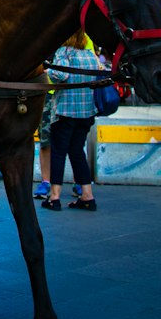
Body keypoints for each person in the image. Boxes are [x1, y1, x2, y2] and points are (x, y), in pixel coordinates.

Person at [40, 29, 103, 212]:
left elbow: (60, 75)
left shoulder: (64, 52)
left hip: (65, 111)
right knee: (77, 152)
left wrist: (47, 69)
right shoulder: (90, 55)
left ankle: (54, 196)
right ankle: (87, 195)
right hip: (86, 113)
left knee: (58, 152)